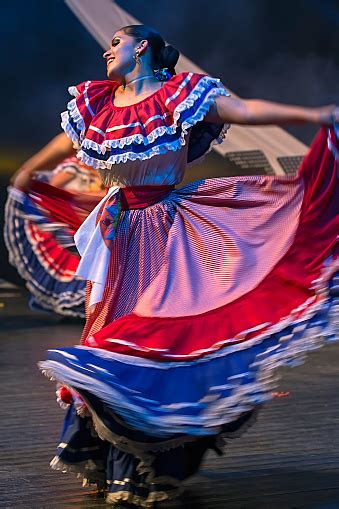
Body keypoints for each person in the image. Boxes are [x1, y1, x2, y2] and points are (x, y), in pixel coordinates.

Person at [13, 25, 338, 508]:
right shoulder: (98, 103)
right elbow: (64, 143)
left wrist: (316, 114)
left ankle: (147, 465)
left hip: (169, 230)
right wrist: (25, 174)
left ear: (141, 47)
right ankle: (120, 463)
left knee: (149, 341)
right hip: (120, 233)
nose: (108, 51)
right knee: (109, 337)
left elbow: (244, 111)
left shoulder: (179, 95)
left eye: (116, 43)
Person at [6, 154, 104, 317]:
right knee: (84, 264)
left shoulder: (99, 163)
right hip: (77, 219)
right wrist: (69, 201)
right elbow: (53, 190)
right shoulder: (76, 165)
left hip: (91, 219)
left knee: (92, 264)